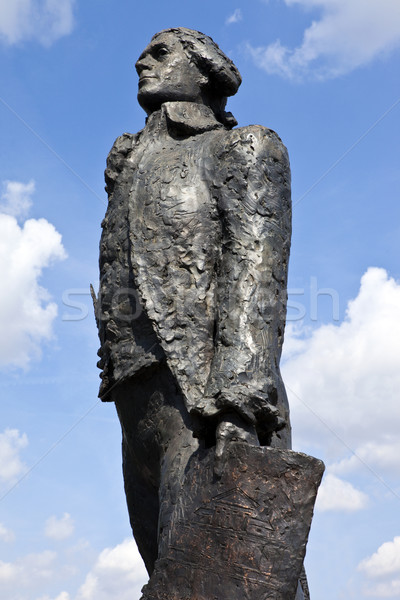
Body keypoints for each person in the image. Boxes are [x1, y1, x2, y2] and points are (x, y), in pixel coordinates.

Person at [95, 27, 299, 597]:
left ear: (205, 71)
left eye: (160, 52)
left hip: (204, 396)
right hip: (136, 403)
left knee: (225, 577)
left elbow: (256, 279)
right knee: (169, 576)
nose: (141, 60)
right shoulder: (132, 161)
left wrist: (238, 405)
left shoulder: (241, 148)